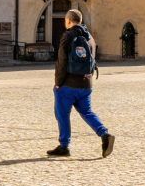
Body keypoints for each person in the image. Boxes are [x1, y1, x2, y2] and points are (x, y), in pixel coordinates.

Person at [46, 9, 115, 159]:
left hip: (68, 85)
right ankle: (104, 134)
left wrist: (58, 83)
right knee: (87, 112)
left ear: (69, 20)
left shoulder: (68, 36)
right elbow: (93, 59)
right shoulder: (89, 37)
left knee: (62, 114)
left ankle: (64, 146)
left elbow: (62, 62)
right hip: (86, 84)